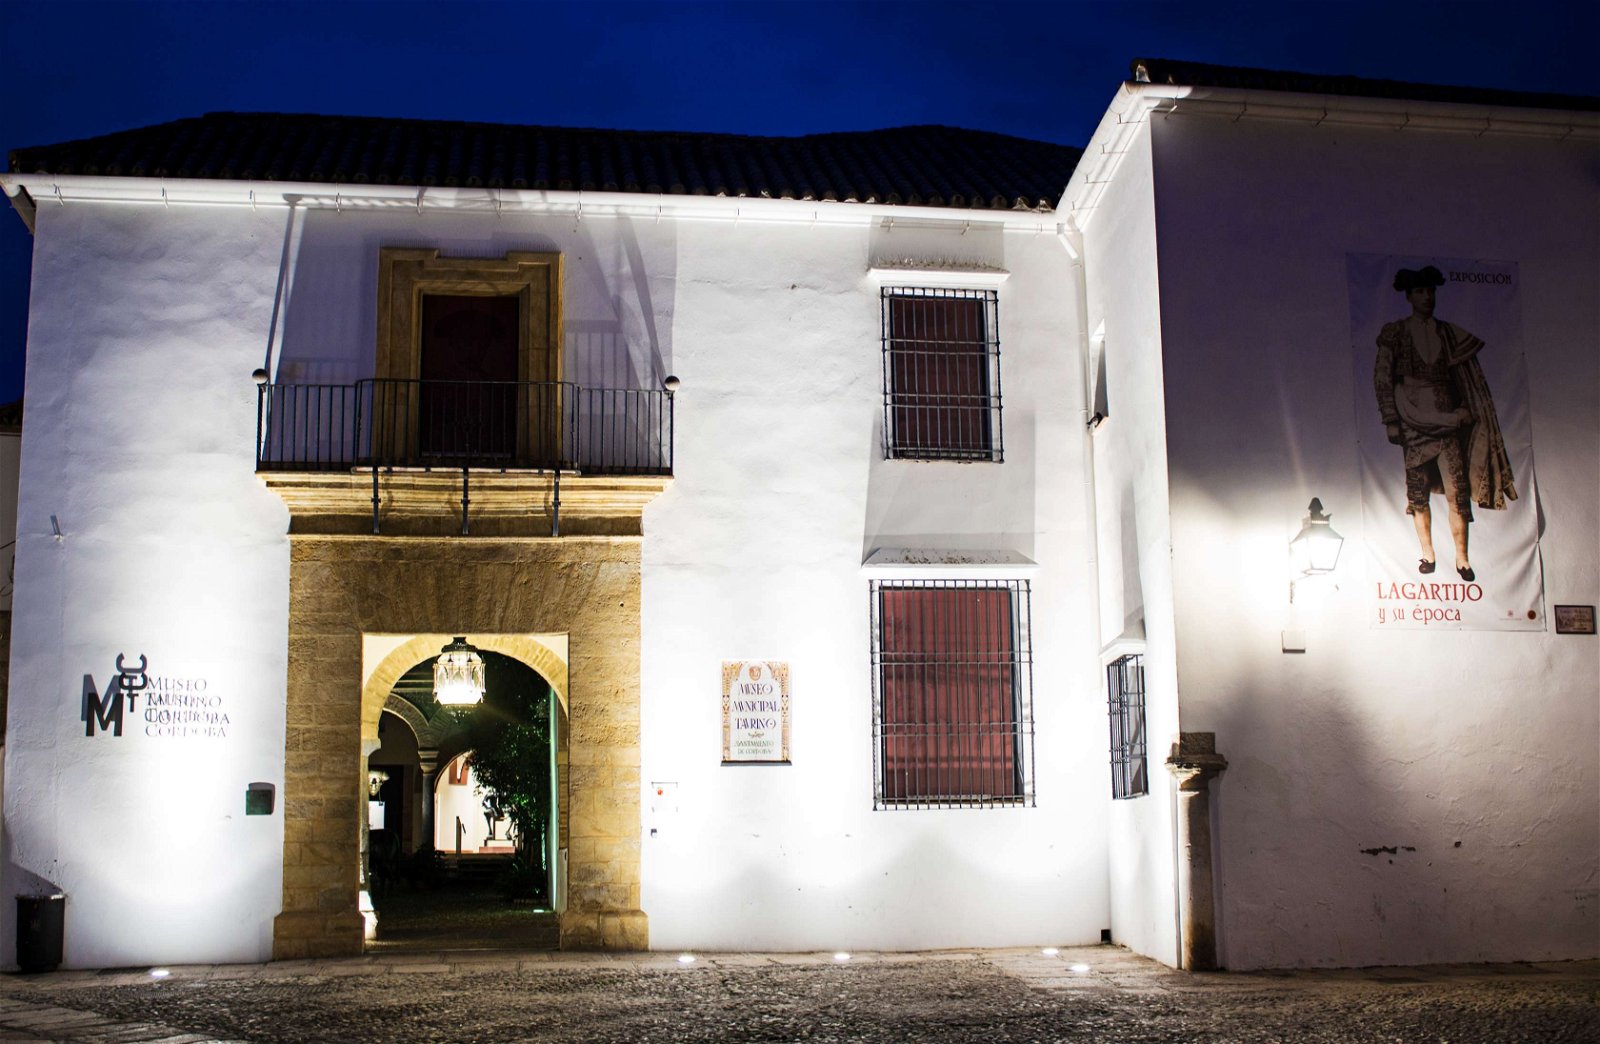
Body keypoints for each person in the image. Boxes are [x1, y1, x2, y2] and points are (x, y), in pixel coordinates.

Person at [1374, 265, 1516, 582]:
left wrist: (1465, 407)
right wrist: (1390, 419)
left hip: (1448, 419)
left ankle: (1462, 558)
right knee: (1418, 491)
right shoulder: (1395, 333)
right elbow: (1383, 377)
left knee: (1458, 490)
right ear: (1410, 296)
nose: (1427, 297)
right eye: (1421, 291)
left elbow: (1466, 378)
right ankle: (1427, 553)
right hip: (1412, 420)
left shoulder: (1448, 333)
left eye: (1430, 291)